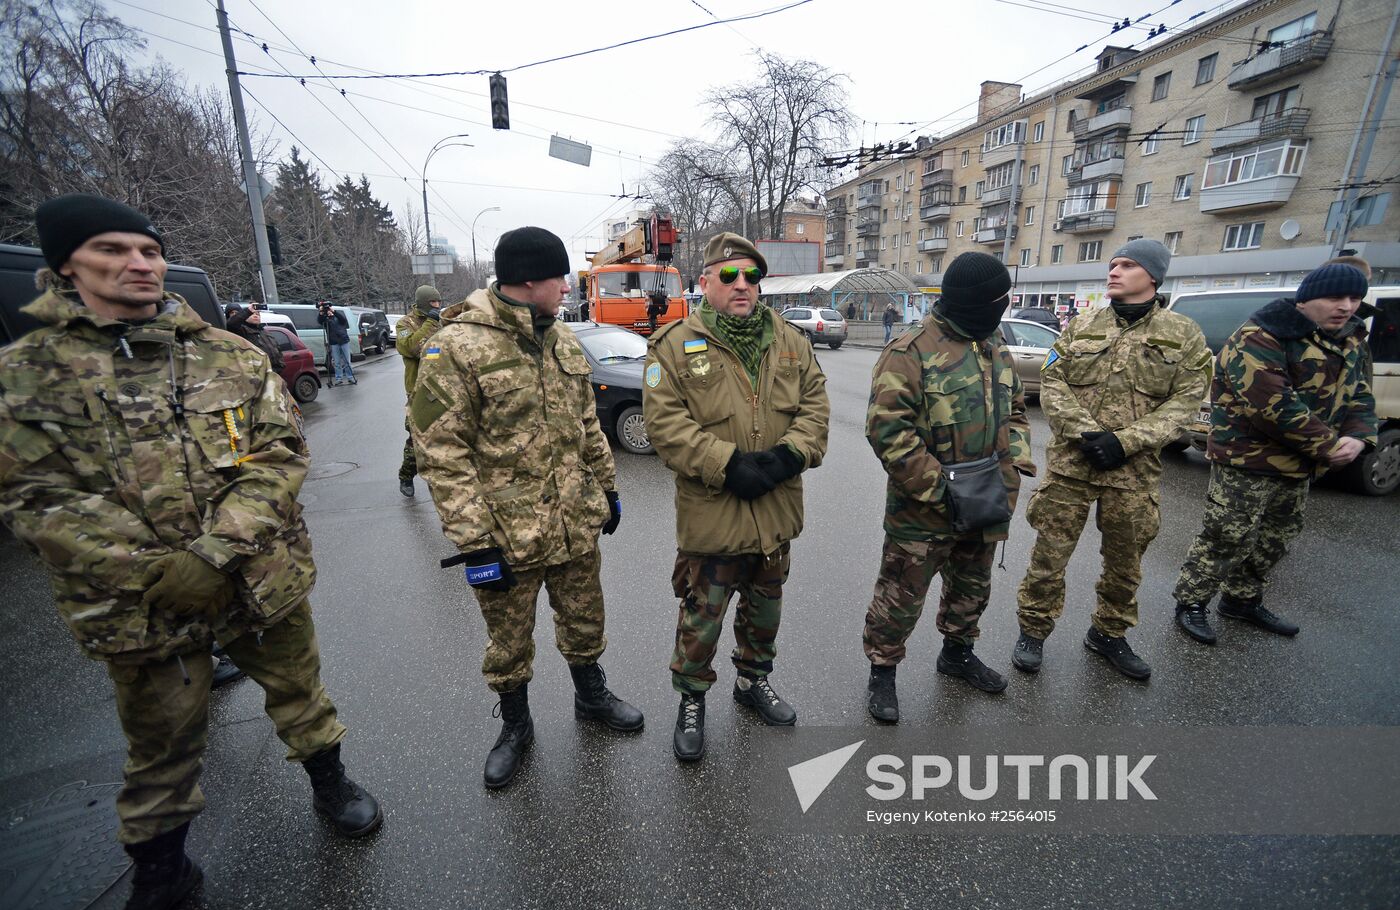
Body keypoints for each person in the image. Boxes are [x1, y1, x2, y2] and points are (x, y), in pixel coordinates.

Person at [0, 194, 381, 910]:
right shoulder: (28, 374)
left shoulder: (226, 354)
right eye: (112, 250)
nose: (139, 263)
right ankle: (163, 872)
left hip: (258, 581)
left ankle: (331, 787)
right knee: (161, 742)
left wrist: (215, 552)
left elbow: (278, 454)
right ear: (65, 266)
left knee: (299, 695)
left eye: (147, 250)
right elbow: (36, 499)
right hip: (138, 604)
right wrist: (155, 571)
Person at [411, 226, 642, 789]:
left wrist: (607, 489)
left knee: (585, 619)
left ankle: (591, 696)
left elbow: (588, 426)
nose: (567, 286)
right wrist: (474, 540)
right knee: (509, 640)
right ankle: (515, 725)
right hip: (504, 535)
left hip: (573, 523)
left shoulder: (562, 341)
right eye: (560, 276)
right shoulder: (457, 347)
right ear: (530, 280)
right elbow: (441, 452)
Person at [643, 233, 830, 761]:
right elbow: (665, 426)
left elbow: (815, 409)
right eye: (728, 276)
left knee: (765, 611)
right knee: (702, 616)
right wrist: (725, 465)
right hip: (713, 516)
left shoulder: (792, 342)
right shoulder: (674, 345)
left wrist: (787, 457)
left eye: (751, 276)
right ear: (706, 282)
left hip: (775, 508)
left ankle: (752, 683)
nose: (742, 285)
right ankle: (692, 700)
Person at [1013, 239, 1211, 680]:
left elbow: (1186, 401)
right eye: (1113, 264)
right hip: (1071, 466)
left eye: (1127, 265)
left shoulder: (1183, 335)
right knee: (1049, 556)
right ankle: (1033, 631)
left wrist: (1126, 441)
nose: (1114, 271)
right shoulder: (1081, 326)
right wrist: (1087, 433)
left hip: (1133, 473)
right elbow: (1052, 381)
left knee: (1125, 564)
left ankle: (1109, 634)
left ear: (1153, 276)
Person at [862, 253, 1035, 720]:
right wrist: (942, 491)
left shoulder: (994, 344)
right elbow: (888, 433)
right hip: (925, 507)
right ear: (978, 302)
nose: (1004, 308)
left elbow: (1016, 410)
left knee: (972, 586)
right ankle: (882, 672)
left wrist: (1014, 461)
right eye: (1000, 300)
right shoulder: (909, 351)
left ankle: (956, 653)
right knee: (900, 595)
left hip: (987, 500)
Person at [1172, 263, 1376, 643]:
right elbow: (1272, 405)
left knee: (1276, 536)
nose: (1346, 306)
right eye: (1335, 297)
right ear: (1306, 299)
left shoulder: (1351, 341)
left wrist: (1360, 437)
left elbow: (1361, 396)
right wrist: (1331, 446)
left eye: (1355, 298)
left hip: (1301, 464)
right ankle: (1192, 601)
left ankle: (1242, 601)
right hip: (1247, 458)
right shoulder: (1262, 336)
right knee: (1227, 534)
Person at [395, 284, 442, 497]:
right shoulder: (406, 323)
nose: (437, 306)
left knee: (446, 435)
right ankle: (406, 475)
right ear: (423, 303)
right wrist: (431, 323)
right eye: (433, 303)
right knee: (417, 437)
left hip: (443, 387)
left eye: (439, 302)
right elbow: (411, 348)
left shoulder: (442, 321)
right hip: (418, 390)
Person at [225, 301, 284, 374]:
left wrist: (281, 364)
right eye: (252, 314)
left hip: (274, 373)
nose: (256, 316)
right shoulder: (242, 331)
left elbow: (277, 349)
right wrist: (249, 310)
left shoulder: (264, 332)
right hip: (256, 374)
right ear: (245, 317)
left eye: (258, 314)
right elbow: (231, 324)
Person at [318, 299, 355, 385]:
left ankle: (350, 377)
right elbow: (319, 321)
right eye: (328, 311)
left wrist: (334, 312)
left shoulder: (338, 318)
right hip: (334, 342)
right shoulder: (326, 320)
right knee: (337, 362)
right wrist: (321, 312)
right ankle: (339, 379)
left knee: (347, 361)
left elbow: (343, 319)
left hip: (344, 341)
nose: (329, 312)